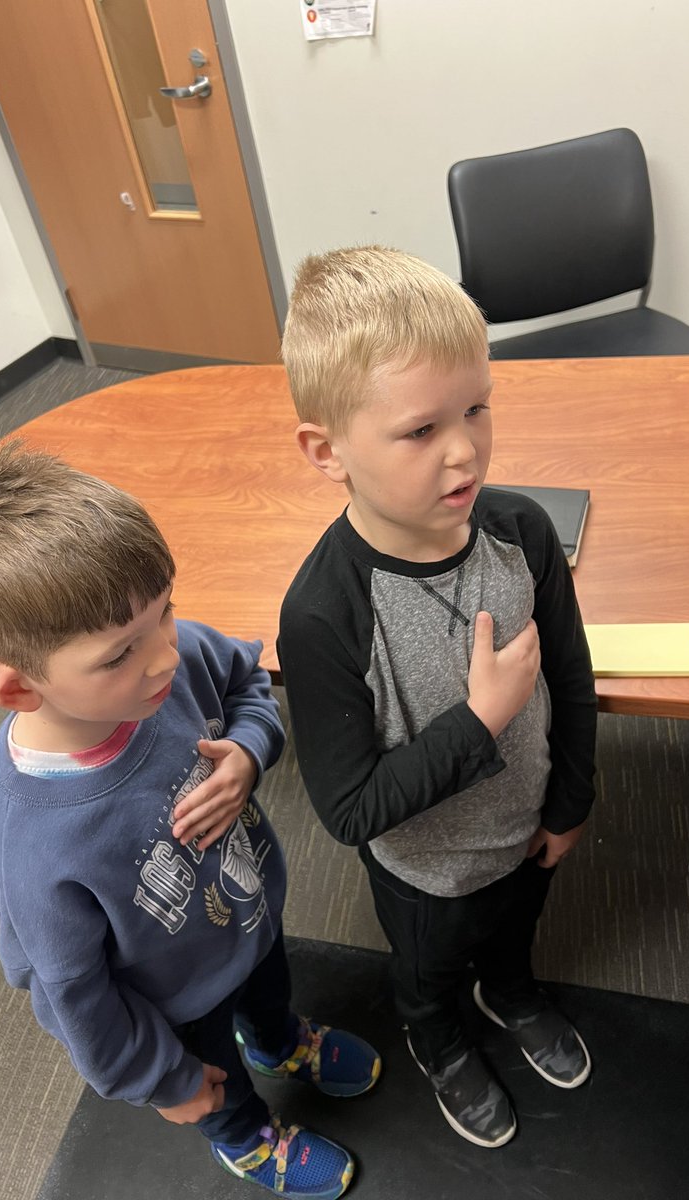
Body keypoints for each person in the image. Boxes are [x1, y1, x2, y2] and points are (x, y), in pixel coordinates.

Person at [0, 441, 380, 1200]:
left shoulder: (172, 658)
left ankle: (279, 1040)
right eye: (120, 653)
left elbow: (248, 688)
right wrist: (163, 1082)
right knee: (215, 1086)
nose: (164, 657)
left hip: (250, 919)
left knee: (269, 992)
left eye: (165, 610)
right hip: (176, 1001)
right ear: (20, 690)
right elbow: (74, 996)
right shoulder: (37, 849)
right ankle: (244, 1139)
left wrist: (249, 753)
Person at [277, 246, 597, 1149]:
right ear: (326, 451)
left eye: (477, 408)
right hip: (423, 875)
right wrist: (482, 720)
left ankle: (511, 991)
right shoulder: (323, 613)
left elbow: (571, 672)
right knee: (428, 973)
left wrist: (572, 797)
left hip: (528, 828)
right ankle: (439, 1037)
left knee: (513, 935)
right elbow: (347, 809)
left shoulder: (520, 531)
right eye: (421, 431)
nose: (465, 450)